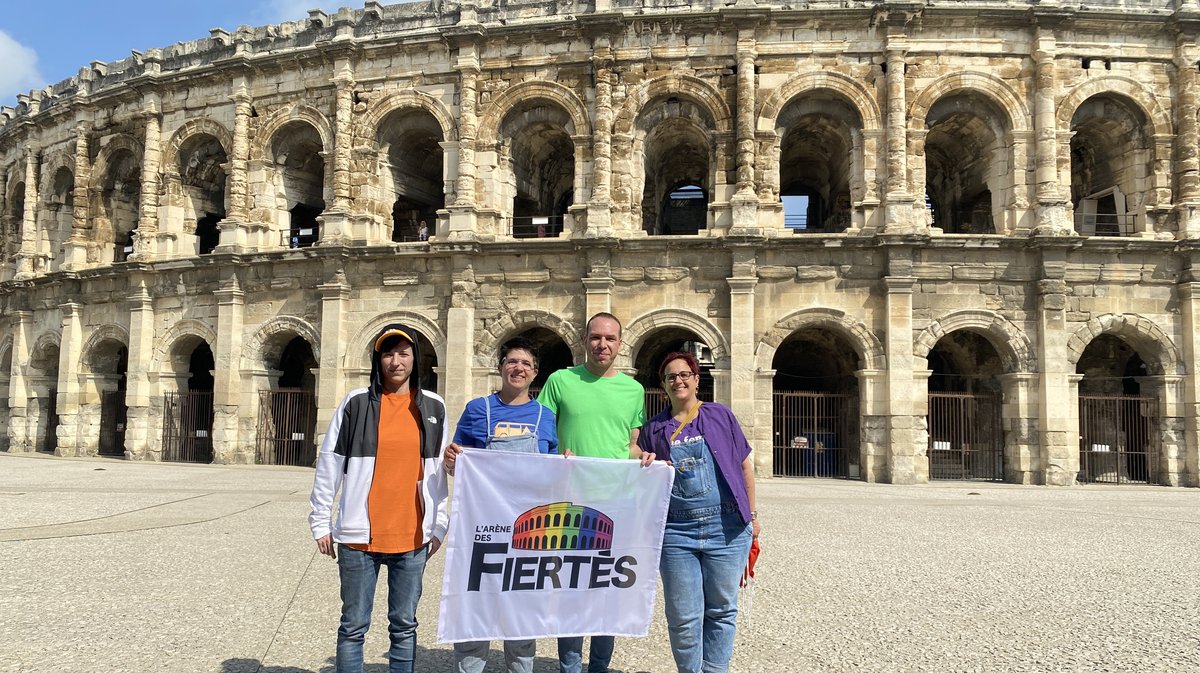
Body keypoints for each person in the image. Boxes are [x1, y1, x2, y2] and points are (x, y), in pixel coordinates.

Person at [308, 323, 450, 673]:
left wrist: (440, 525)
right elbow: (330, 463)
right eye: (388, 353)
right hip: (359, 537)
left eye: (404, 353)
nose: (396, 361)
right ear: (378, 359)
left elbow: (440, 471)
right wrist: (320, 520)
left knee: (404, 626)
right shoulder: (355, 404)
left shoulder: (433, 406)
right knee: (353, 626)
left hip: (413, 535)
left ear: (415, 358)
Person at [636, 351, 761, 673]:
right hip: (677, 532)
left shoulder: (721, 415)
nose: (678, 380)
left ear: (696, 378)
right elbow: (631, 462)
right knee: (682, 617)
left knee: (721, 610)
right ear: (663, 385)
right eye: (670, 376)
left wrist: (754, 516)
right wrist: (643, 463)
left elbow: (745, 466)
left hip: (728, 527)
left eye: (684, 374)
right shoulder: (654, 428)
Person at [537, 312, 647, 673]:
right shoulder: (560, 381)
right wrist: (557, 456)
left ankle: (598, 667)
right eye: (596, 338)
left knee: (607, 591)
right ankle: (570, 666)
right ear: (584, 340)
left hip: (617, 502)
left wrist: (646, 457)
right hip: (569, 500)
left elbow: (629, 444)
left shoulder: (634, 390)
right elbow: (543, 436)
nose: (603, 345)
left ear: (620, 343)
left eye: (610, 339)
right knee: (570, 589)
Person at [442, 335, 559, 673]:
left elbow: (551, 472)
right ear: (500, 367)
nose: (518, 368)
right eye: (512, 362)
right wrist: (452, 460)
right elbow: (457, 463)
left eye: (525, 363)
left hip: (528, 531)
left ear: (535, 373)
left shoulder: (545, 416)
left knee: (521, 609)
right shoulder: (478, 410)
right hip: (483, 527)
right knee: (475, 602)